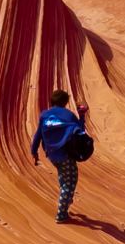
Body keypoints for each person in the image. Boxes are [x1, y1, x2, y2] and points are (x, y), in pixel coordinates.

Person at [30, 89, 88, 222]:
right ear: (65, 102)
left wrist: (34, 152)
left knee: (64, 176)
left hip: (51, 154)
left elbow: (38, 135)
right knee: (70, 181)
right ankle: (61, 214)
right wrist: (82, 115)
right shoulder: (68, 115)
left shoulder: (44, 115)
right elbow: (79, 130)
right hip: (65, 153)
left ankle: (66, 199)